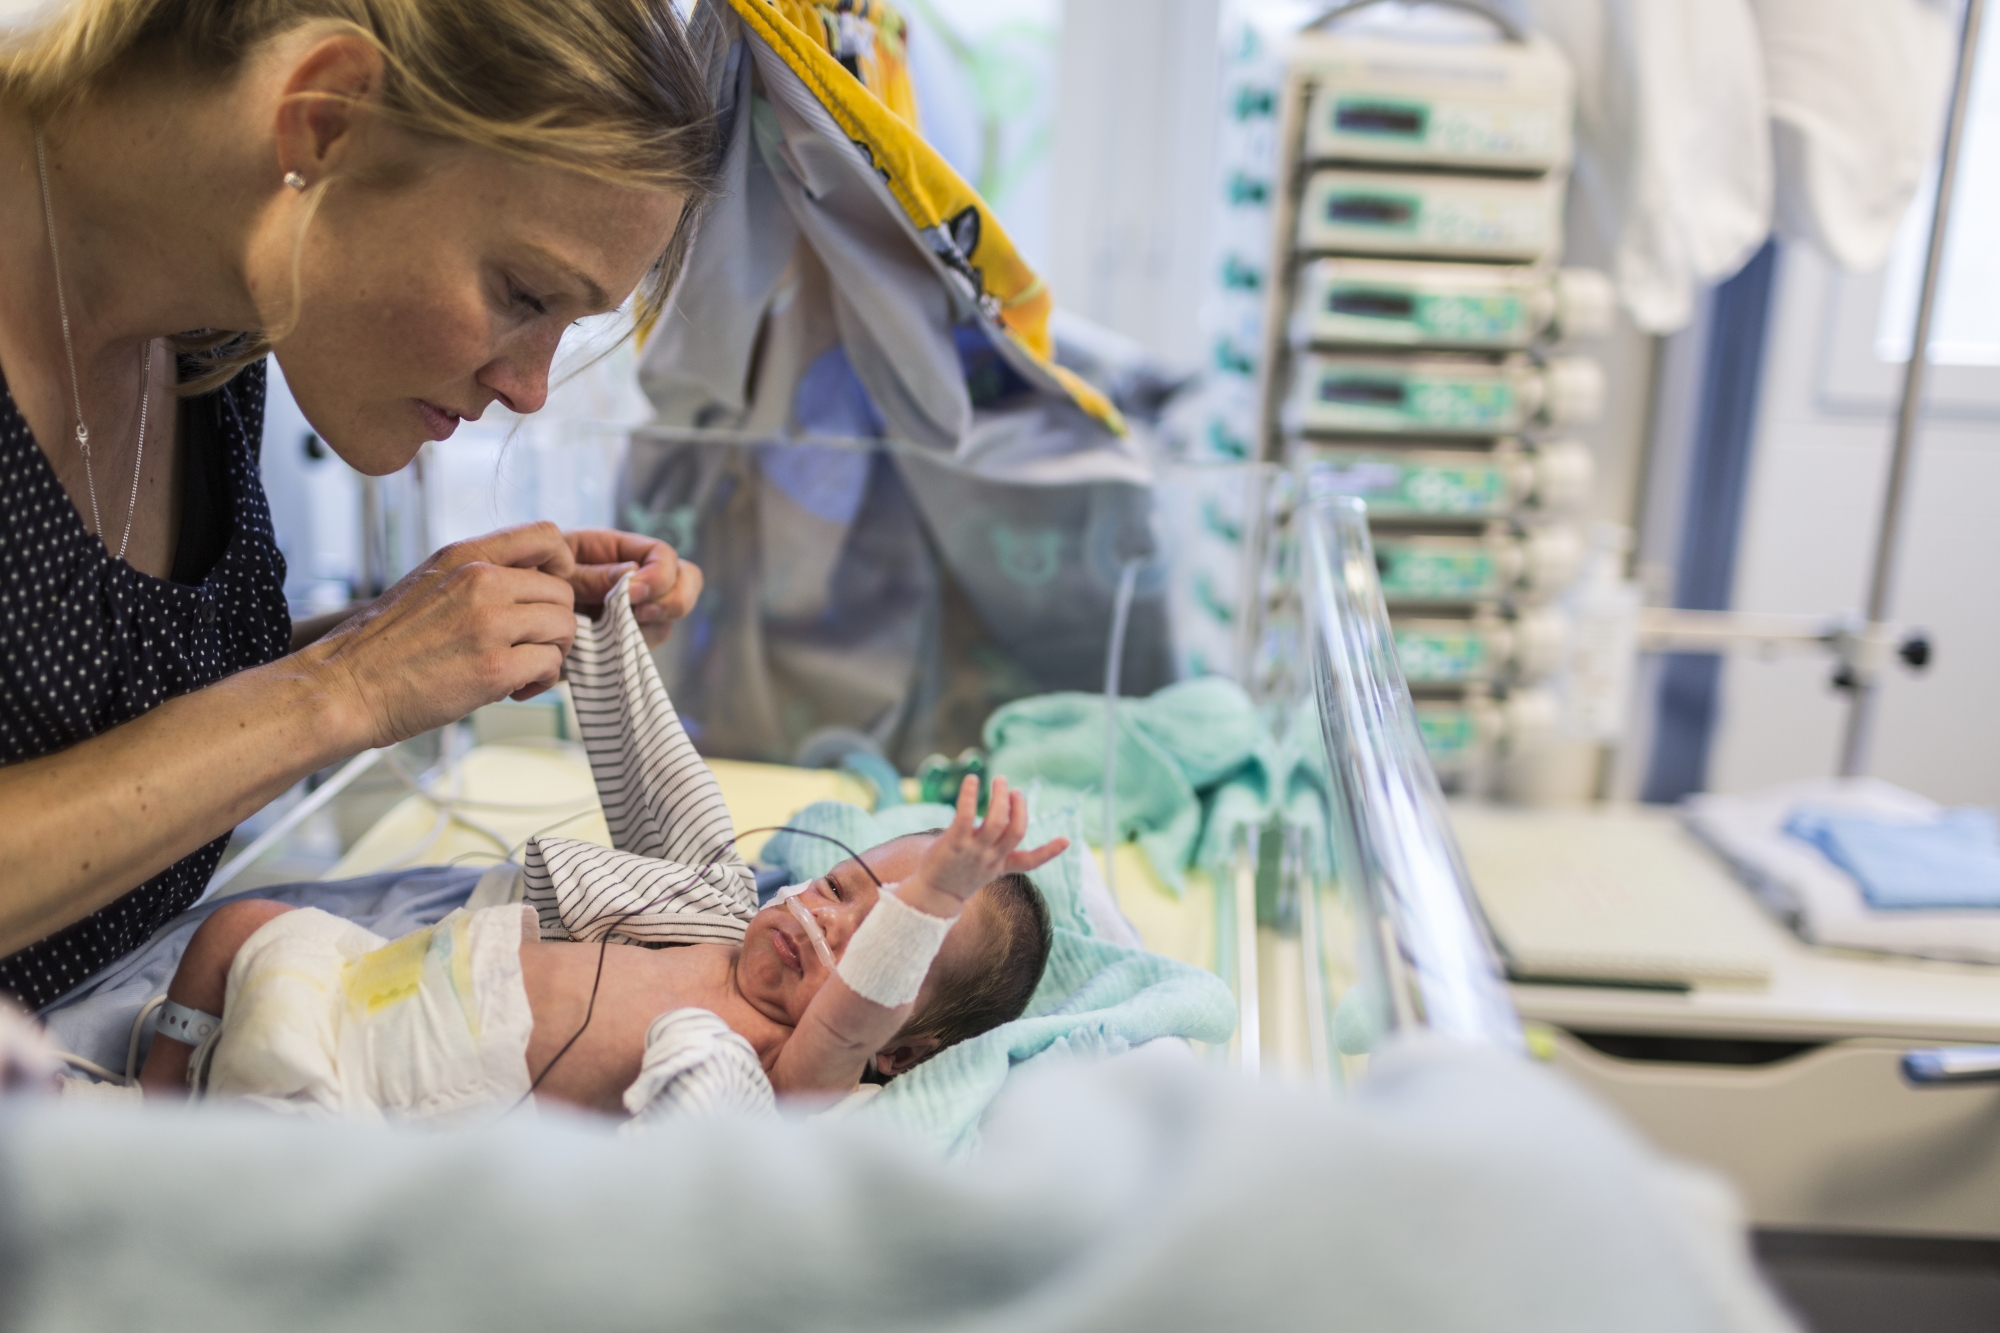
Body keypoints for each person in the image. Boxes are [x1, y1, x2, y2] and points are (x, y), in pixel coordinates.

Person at [0, 0, 722, 1010]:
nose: (528, 390)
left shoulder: (214, 321)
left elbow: (64, 702)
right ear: (326, 120)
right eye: (523, 292)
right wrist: (345, 688)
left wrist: (414, 633)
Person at [135, 775, 1063, 1121]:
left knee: (283, 1142)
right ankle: (156, 1104)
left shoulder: (788, 1062)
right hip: (371, 982)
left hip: (374, 1089)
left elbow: (856, 1006)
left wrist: (935, 897)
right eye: (838, 885)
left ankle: (183, 1172)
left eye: (877, 940)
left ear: (893, 1049)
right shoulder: (708, 922)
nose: (826, 919)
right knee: (240, 924)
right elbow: (662, 786)